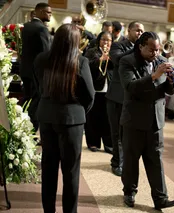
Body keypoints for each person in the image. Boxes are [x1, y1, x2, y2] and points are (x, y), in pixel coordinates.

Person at [33, 24, 95, 213]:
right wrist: (79, 110)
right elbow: (90, 95)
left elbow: (38, 86)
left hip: (47, 117)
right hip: (72, 120)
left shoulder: (41, 59)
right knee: (71, 173)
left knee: (49, 170)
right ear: (75, 42)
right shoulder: (80, 61)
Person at [118, 32, 174, 210]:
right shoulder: (127, 61)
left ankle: (160, 198)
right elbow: (130, 87)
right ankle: (129, 191)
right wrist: (153, 76)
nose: (156, 53)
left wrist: (171, 80)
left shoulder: (160, 61)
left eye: (158, 50)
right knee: (131, 160)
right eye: (152, 50)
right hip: (134, 120)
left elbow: (170, 91)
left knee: (156, 160)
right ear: (141, 46)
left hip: (156, 121)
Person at [106, 21, 144, 176]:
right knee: (117, 133)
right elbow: (117, 60)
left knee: (128, 134)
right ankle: (116, 163)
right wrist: (137, 49)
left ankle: (122, 160)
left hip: (133, 98)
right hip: (116, 97)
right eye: (137, 31)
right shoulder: (118, 45)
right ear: (129, 31)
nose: (140, 34)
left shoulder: (142, 50)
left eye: (142, 32)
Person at [20, 2, 52, 132]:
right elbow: (46, 53)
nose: (50, 15)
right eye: (47, 12)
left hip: (25, 70)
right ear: (39, 12)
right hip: (37, 73)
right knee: (35, 102)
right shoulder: (42, 29)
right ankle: (30, 131)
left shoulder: (26, 26)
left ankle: (21, 128)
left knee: (27, 99)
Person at [84, 31, 113, 152]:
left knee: (107, 118)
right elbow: (86, 65)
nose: (106, 42)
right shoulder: (92, 51)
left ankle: (108, 143)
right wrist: (100, 59)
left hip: (109, 89)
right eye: (103, 40)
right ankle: (93, 143)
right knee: (93, 118)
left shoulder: (114, 53)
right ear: (99, 41)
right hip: (95, 88)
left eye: (108, 40)